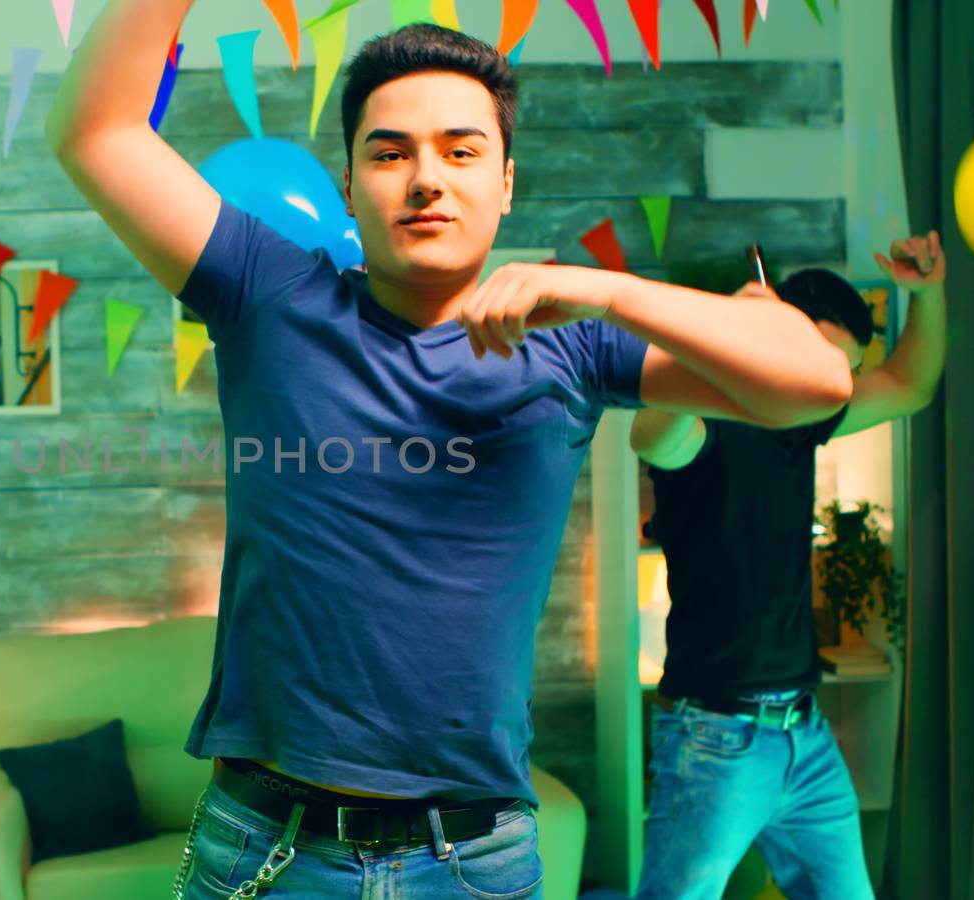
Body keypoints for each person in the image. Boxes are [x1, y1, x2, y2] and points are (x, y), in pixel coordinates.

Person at [49, 7, 854, 897]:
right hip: (267, 849)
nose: (426, 178)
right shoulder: (266, 292)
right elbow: (97, 131)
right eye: (390, 153)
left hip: (471, 861)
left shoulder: (575, 344)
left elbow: (816, 381)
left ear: (507, 183)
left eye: (461, 151)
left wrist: (608, 291)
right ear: (348, 189)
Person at [631, 235, 947, 900]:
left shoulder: (803, 423)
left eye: (845, 374)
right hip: (715, 739)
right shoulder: (710, 419)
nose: (836, 387)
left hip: (805, 737)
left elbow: (912, 385)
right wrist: (728, 342)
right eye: (830, 366)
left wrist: (925, 292)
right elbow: (651, 435)